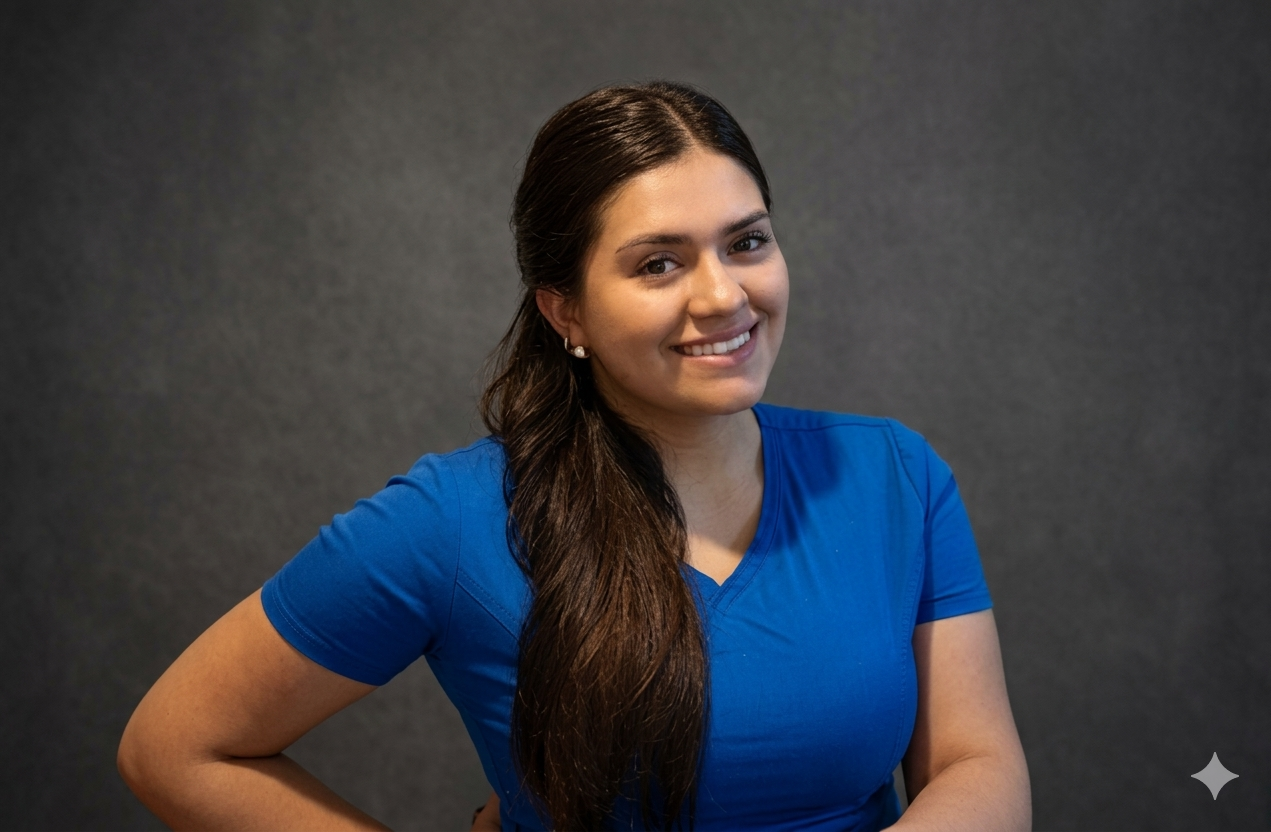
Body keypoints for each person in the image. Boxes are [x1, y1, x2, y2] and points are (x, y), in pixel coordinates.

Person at [118, 81, 1030, 831]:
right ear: (566, 312)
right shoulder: (454, 519)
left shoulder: (894, 476)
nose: (724, 296)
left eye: (746, 242)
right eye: (658, 264)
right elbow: (177, 747)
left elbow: (975, 762)